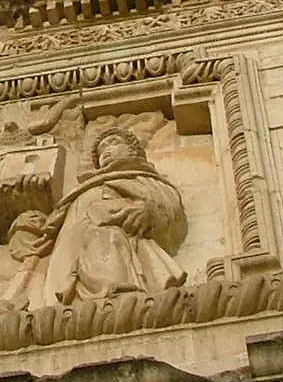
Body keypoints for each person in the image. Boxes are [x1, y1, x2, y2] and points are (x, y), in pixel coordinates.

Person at [27, 127, 187, 305]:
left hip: (111, 249)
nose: (106, 151)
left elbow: (169, 208)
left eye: (113, 143)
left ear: (132, 149)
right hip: (68, 256)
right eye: (101, 149)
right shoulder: (85, 188)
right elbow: (46, 234)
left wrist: (148, 212)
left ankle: (118, 297)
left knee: (105, 242)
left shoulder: (141, 178)